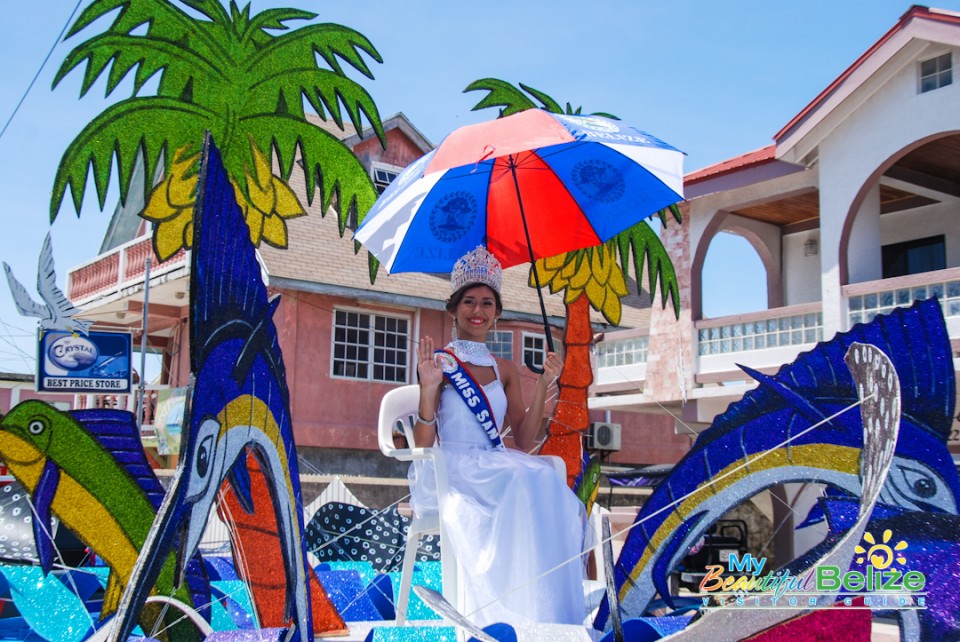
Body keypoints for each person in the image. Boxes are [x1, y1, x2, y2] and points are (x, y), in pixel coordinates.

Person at [409, 246, 587, 628]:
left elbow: (523, 441)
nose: (478, 310)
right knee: (524, 478)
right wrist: (427, 389)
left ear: (497, 314)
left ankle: (540, 614)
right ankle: (497, 616)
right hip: (453, 467)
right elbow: (423, 446)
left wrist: (544, 384)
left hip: (495, 462)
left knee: (537, 476)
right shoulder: (439, 365)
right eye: (469, 301)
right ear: (453, 309)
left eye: (487, 303)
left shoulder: (504, 368)